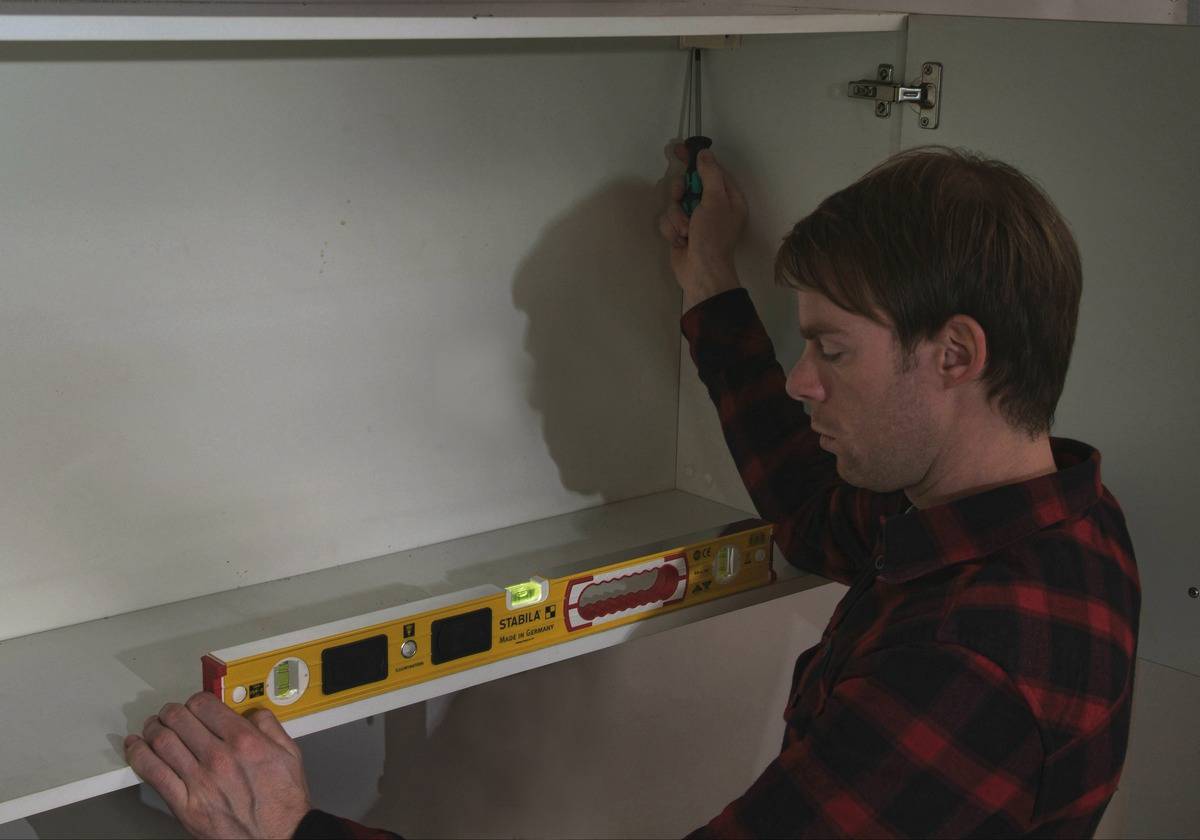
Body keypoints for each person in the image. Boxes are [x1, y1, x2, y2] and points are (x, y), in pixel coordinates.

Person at [125, 145, 1140, 839]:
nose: (801, 378)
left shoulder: (970, 670)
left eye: (833, 348)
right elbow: (812, 508)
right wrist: (708, 283)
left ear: (956, 354)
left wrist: (290, 830)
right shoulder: (1057, 523)